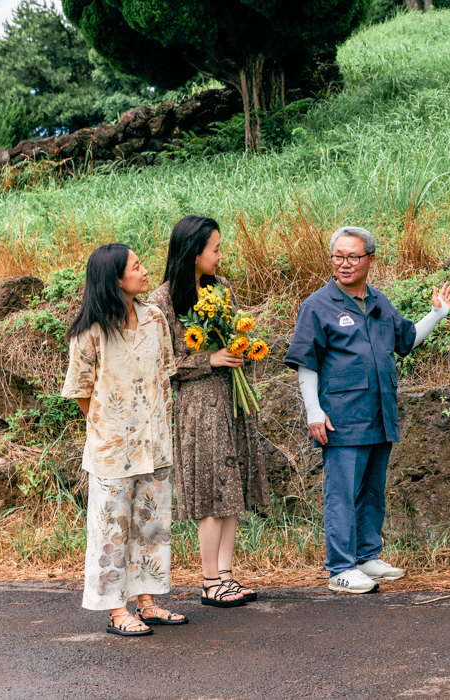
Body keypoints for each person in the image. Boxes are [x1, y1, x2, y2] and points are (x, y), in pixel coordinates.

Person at [285, 226, 450, 593]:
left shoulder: (379, 302)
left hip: (379, 413)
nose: (344, 264)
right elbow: (306, 363)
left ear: (370, 260)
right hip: (342, 417)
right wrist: (313, 410)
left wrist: (436, 314)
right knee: (341, 493)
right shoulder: (317, 305)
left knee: (372, 491)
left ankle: (366, 556)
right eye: (338, 256)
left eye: (353, 257)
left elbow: (406, 340)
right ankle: (341, 568)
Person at [62, 243, 187, 636]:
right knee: (112, 529)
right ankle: (117, 609)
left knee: (151, 526)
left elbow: (164, 375)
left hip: (155, 443)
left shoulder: (155, 318)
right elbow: (81, 390)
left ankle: (147, 602)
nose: (145, 270)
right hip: (113, 450)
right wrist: (112, 426)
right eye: (136, 266)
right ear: (115, 279)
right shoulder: (91, 332)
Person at [149, 215, 270, 608]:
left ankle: (227, 576)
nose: (220, 256)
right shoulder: (162, 301)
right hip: (199, 407)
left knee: (232, 491)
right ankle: (209, 581)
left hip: (233, 398)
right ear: (193, 253)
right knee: (211, 493)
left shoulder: (222, 288)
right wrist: (209, 359)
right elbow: (159, 366)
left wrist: (239, 350)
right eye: (215, 249)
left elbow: (234, 333)